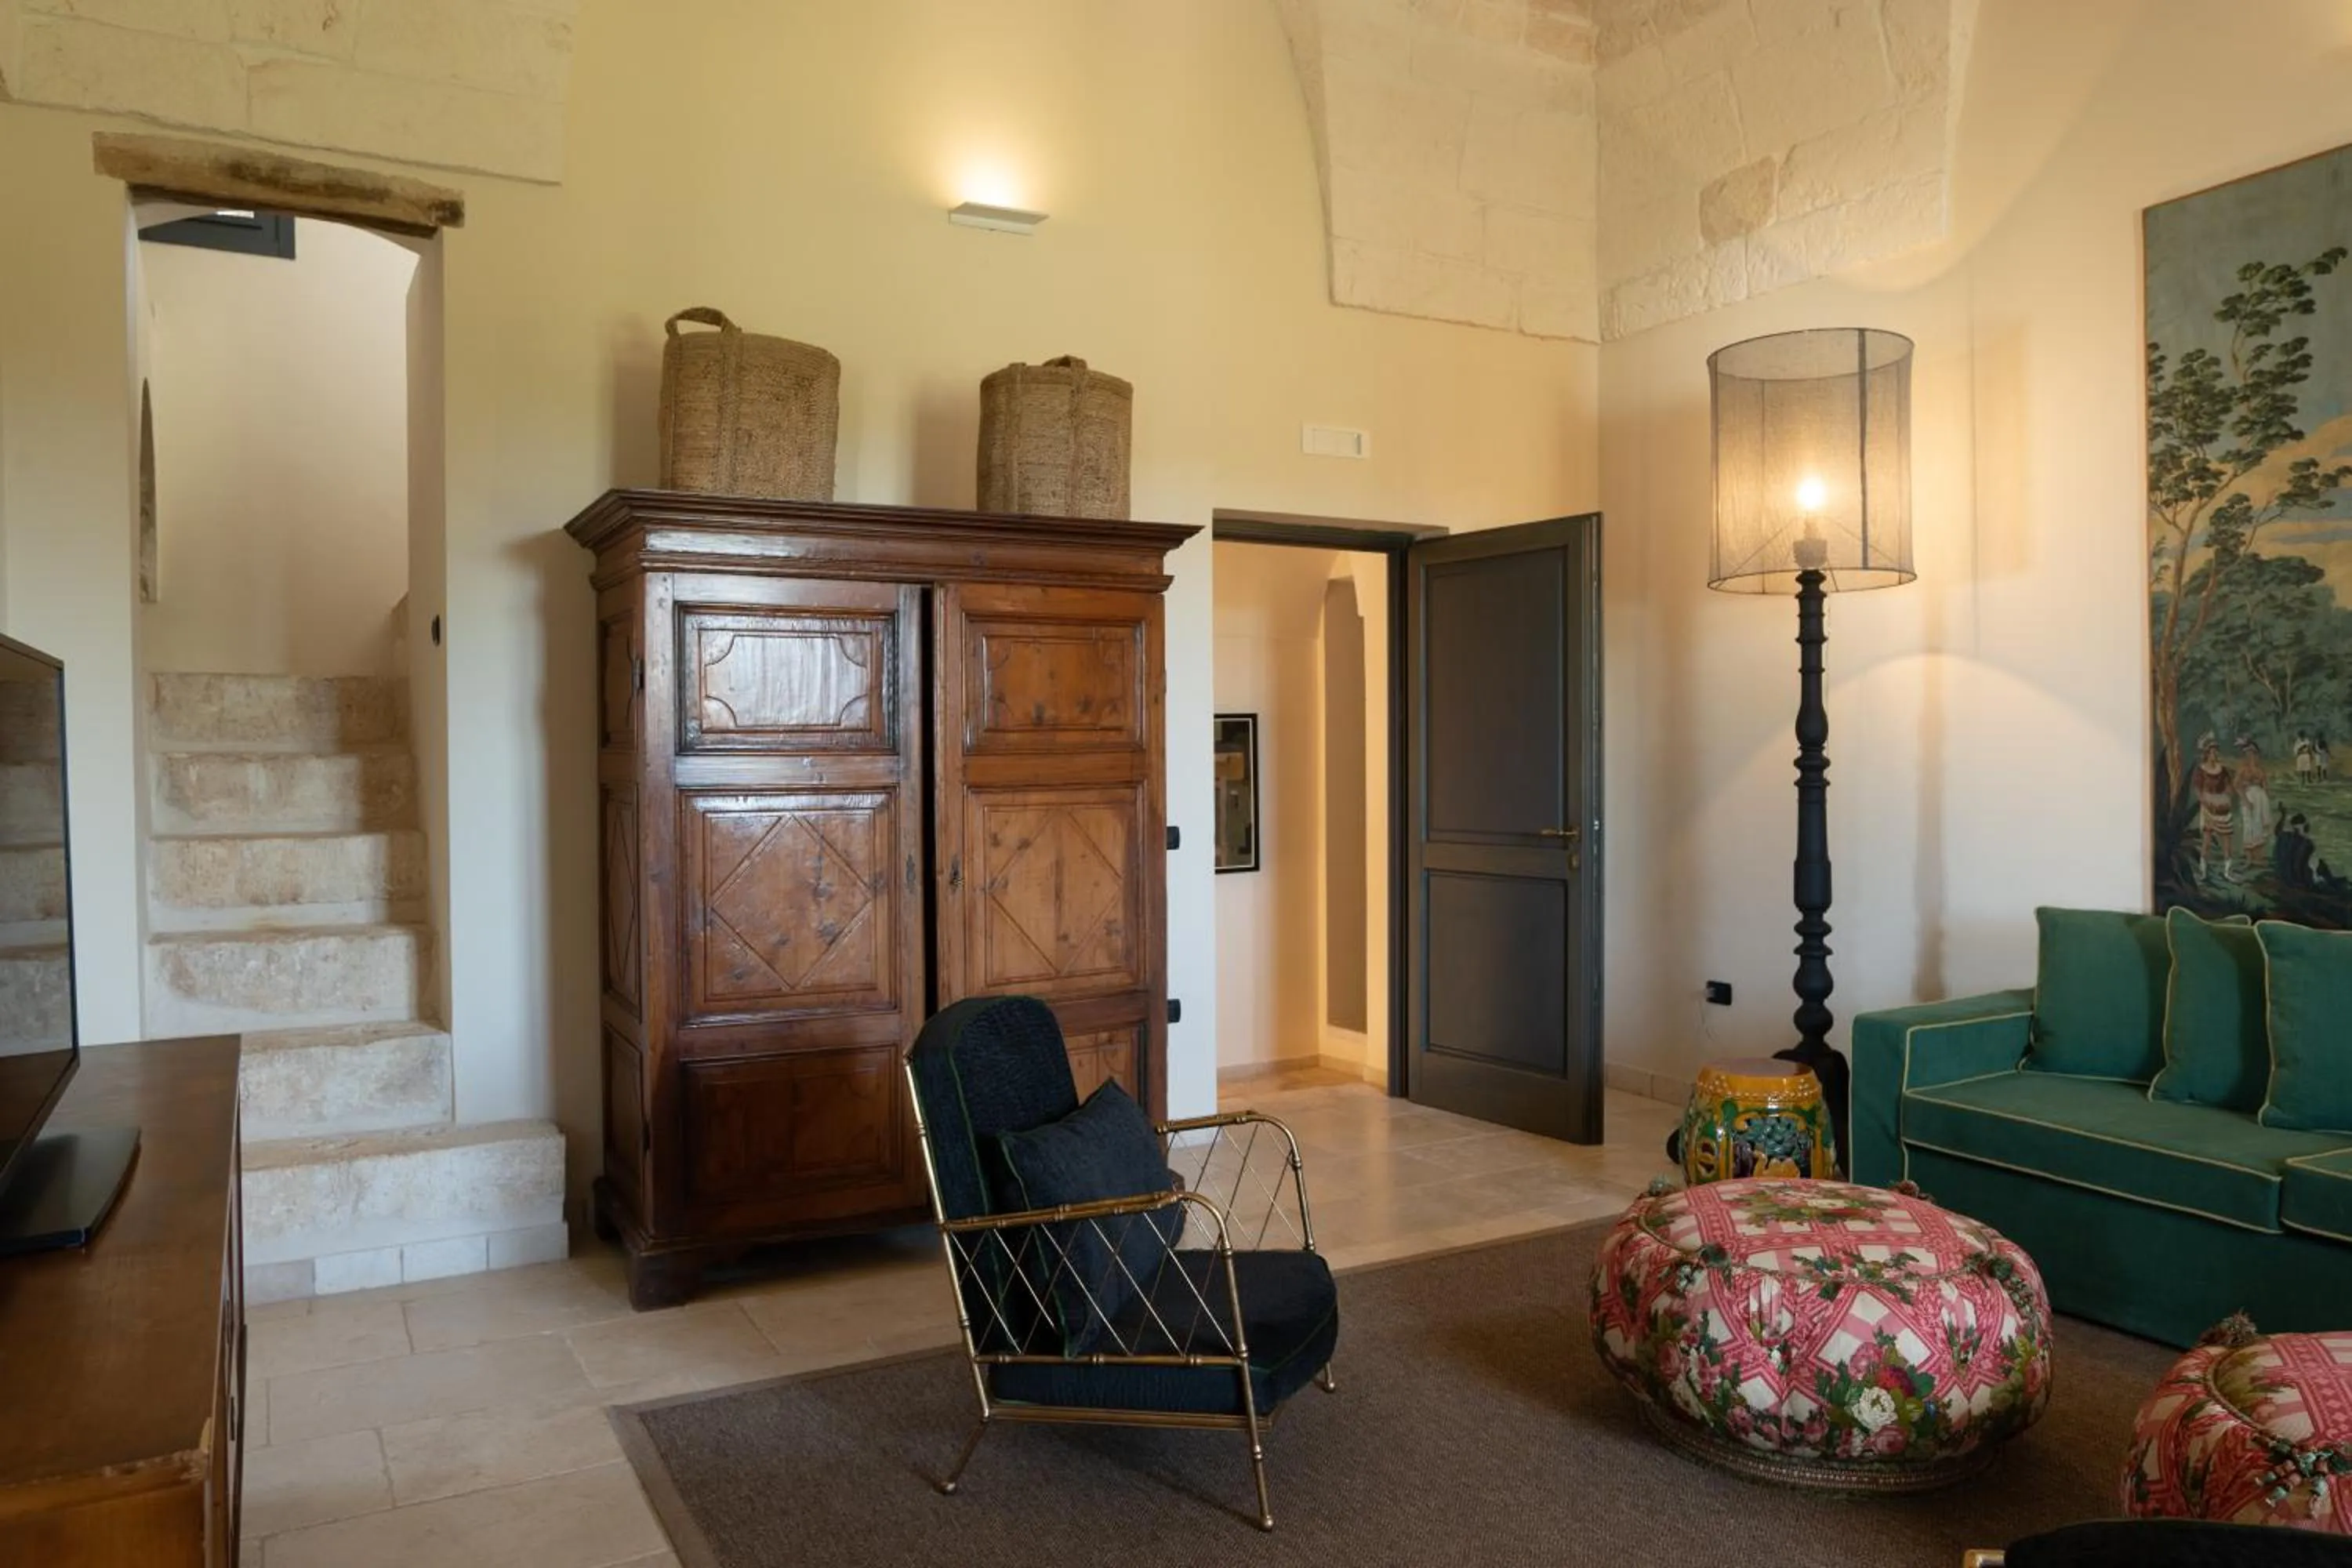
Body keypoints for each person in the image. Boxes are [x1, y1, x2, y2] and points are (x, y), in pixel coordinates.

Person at [2193, 734, 2239, 884]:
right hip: (2208, 808)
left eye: (2216, 752)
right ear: (2207, 754)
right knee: (2206, 840)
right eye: (2212, 752)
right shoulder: (2201, 770)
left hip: (2222, 807)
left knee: (2227, 840)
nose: (2214, 755)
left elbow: (2229, 786)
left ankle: (2228, 871)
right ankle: (2203, 872)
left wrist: (2229, 794)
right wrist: (2206, 802)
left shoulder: (2223, 770)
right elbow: (2198, 790)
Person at [2237, 737, 2274, 866]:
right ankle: (2249, 857)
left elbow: (2265, 785)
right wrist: (2245, 800)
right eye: (2249, 754)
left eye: (2254, 754)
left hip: (2261, 798)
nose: (2252, 757)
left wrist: (2268, 795)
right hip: (2249, 797)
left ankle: (2259, 857)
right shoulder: (2243, 769)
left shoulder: (2260, 769)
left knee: (2260, 825)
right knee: (2250, 825)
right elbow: (2237, 785)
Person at [2278, 811, 2318, 890]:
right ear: (2306, 827)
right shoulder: (2308, 844)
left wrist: (2283, 815)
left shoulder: (2285, 836)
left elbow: (2277, 830)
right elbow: (2299, 868)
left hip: (2285, 878)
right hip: (2298, 883)